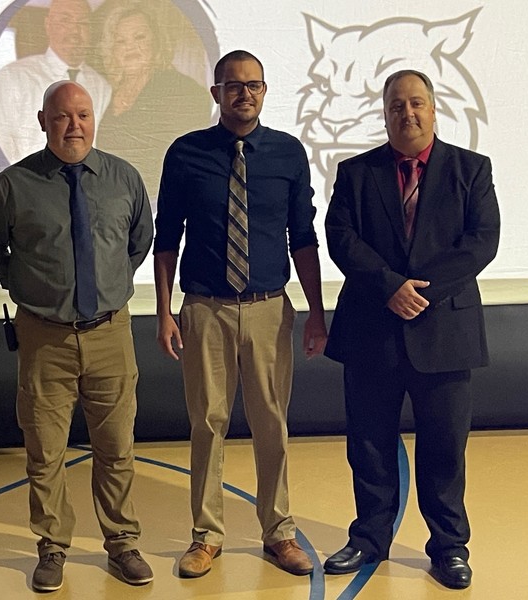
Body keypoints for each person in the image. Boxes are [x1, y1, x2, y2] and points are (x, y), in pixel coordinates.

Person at [322, 69, 500, 590]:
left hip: (446, 332)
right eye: (397, 104)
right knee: (369, 445)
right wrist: (389, 286)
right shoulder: (356, 173)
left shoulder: (471, 169)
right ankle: (369, 538)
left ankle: (449, 546)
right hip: (371, 331)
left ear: (433, 108)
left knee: (445, 448)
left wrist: (419, 291)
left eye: (417, 102)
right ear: (384, 112)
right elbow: (340, 237)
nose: (408, 113)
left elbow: (482, 241)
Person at [153, 50, 328, 579]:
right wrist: (164, 312)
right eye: (233, 85)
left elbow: (304, 239)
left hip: (269, 309)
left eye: (252, 85)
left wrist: (317, 312)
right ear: (216, 93)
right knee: (207, 422)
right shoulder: (185, 153)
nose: (243, 94)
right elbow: (166, 240)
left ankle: (279, 532)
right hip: (204, 309)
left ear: (265, 90)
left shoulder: (287, 153)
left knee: (271, 422)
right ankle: (206, 536)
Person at [0, 81, 154, 592]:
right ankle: (52, 547)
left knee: (117, 447)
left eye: (83, 114)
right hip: (43, 337)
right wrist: (34, 290)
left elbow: (138, 243)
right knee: (45, 452)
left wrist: (103, 288)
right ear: (42, 121)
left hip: (110, 333)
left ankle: (122, 542)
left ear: (94, 118)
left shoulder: (123, 177)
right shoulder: (13, 185)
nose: (73, 125)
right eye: (62, 117)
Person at [95, 2, 211, 197]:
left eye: (139, 37)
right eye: (120, 41)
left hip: (161, 201)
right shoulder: (103, 93)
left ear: (156, 41)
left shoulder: (181, 89)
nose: (129, 47)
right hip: (113, 200)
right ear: (112, 50)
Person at [0, 0, 111, 163]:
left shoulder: (101, 86)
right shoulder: (14, 77)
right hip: (29, 183)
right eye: (65, 20)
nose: (74, 30)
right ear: (48, 25)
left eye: (82, 22)